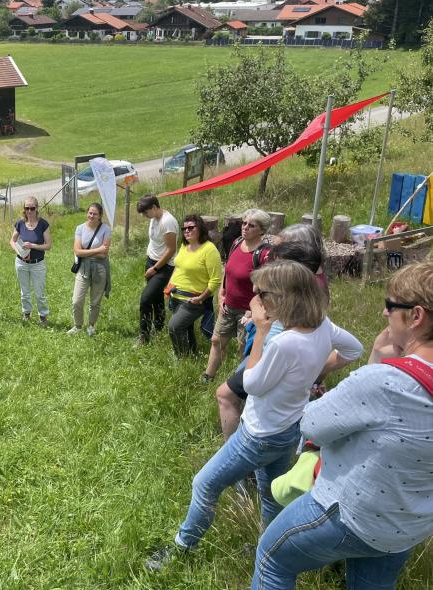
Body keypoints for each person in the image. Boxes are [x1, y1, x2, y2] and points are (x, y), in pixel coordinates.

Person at [147, 261, 362, 572]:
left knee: (204, 484)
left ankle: (182, 547)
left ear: (283, 297)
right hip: (289, 430)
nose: (255, 299)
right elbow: (354, 349)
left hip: (259, 435)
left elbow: (251, 384)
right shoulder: (322, 326)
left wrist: (261, 331)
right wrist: (317, 370)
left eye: (260, 293)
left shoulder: (285, 342)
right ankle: (267, 542)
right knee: (270, 493)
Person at [252, 261, 433, 589]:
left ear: (416, 316)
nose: (383, 313)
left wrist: (378, 357)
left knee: (272, 557)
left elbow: (312, 425)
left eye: (390, 306)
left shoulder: (386, 381)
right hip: (410, 524)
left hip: (351, 515)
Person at [215, 224, 330, 441]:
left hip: (272, 349)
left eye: (280, 250)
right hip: (272, 348)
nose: (273, 256)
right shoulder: (308, 279)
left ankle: (237, 450)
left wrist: (259, 325)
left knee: (227, 394)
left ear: (297, 250)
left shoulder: (304, 285)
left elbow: (293, 325)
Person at [201, 209, 271, 383]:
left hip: (248, 312)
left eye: (251, 225)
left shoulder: (265, 254)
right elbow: (229, 270)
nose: (245, 227)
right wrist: (222, 293)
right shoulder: (236, 243)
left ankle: (242, 383)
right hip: (228, 305)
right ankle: (208, 376)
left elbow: (267, 287)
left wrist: (251, 312)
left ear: (262, 230)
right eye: (244, 223)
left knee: (244, 349)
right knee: (216, 339)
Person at [167, 215, 222, 358]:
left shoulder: (209, 249)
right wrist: (168, 287)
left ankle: (181, 358)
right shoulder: (185, 245)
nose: (186, 231)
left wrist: (201, 298)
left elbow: (215, 280)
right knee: (186, 327)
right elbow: (178, 268)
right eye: (184, 228)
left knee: (174, 327)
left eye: (191, 227)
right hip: (176, 294)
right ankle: (191, 354)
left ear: (200, 229)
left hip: (193, 299)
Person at [136, 194, 178, 345]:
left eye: (146, 212)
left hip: (164, 267)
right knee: (156, 298)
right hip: (151, 261)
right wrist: (150, 262)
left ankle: (143, 336)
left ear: (154, 207)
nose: (145, 216)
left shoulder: (168, 222)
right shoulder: (154, 218)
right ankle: (159, 328)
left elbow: (171, 250)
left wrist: (155, 268)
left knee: (145, 299)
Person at [69, 203, 111, 336]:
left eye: (95, 214)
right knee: (76, 300)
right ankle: (78, 326)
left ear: (100, 216)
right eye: (90, 213)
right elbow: (77, 251)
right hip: (83, 267)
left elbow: (104, 254)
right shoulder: (80, 228)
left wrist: (86, 252)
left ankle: (91, 326)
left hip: (100, 268)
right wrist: (97, 249)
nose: (91, 216)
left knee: (95, 300)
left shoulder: (106, 229)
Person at [9, 197, 52, 326]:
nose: (29, 211)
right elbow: (12, 241)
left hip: (38, 264)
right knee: (25, 291)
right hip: (21, 263)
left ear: (37, 208)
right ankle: (26, 314)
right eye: (26, 208)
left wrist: (32, 246)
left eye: (32, 208)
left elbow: (48, 245)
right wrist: (20, 253)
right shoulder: (20, 223)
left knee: (39, 292)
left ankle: (43, 316)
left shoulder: (43, 224)